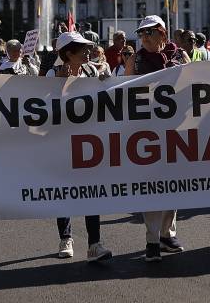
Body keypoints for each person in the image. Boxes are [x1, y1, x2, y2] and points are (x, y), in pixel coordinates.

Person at [48, 31, 112, 262]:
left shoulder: (92, 71)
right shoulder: (50, 74)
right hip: (61, 142)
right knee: (63, 191)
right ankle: (65, 237)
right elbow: (42, 108)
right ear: (68, 54)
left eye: (88, 48)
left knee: (90, 192)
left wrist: (106, 84)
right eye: (82, 49)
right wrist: (59, 85)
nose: (88, 52)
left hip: (87, 142)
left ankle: (94, 244)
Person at [127, 15, 183, 261]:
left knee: (173, 184)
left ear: (162, 33)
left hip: (174, 130)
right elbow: (123, 88)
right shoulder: (136, 60)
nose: (145, 38)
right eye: (141, 34)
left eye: (149, 32)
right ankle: (151, 240)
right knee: (151, 186)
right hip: (146, 131)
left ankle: (167, 234)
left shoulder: (179, 56)